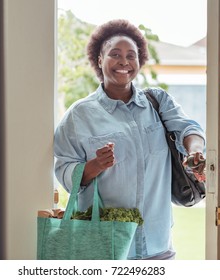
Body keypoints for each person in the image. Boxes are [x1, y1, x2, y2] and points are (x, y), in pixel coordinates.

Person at [54, 19, 205, 260]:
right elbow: (63, 169)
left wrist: (195, 151)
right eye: (115, 54)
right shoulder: (79, 115)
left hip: (158, 245)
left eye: (131, 55)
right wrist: (94, 166)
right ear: (99, 59)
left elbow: (188, 129)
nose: (124, 61)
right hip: (106, 247)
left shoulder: (158, 102)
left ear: (139, 61)